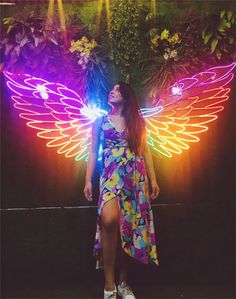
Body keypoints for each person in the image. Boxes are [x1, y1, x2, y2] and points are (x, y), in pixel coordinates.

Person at [83, 81, 160, 299]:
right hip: (110, 177)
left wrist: (153, 179)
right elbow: (91, 152)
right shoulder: (100, 122)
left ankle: (123, 282)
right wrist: (88, 180)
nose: (112, 91)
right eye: (112, 89)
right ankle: (109, 283)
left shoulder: (136, 122)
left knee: (129, 228)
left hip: (134, 178)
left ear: (126, 96)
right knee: (109, 220)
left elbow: (145, 151)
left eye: (117, 90)